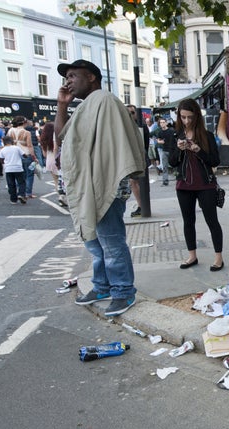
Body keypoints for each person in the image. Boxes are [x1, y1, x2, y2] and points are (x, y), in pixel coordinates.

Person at [54, 59, 146, 317]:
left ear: (92, 77)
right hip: (90, 184)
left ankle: (123, 291)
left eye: (73, 75)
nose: (68, 81)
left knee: (110, 240)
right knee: (94, 241)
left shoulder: (104, 101)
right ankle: (103, 286)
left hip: (105, 183)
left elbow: (110, 149)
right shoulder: (86, 107)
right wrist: (62, 105)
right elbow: (62, 138)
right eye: (66, 77)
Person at [168, 98, 225, 271]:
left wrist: (198, 150)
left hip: (205, 184)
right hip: (184, 185)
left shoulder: (206, 136)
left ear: (196, 117)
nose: (186, 121)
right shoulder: (176, 135)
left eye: (190, 117)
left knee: (212, 221)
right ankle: (192, 256)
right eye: (183, 117)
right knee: (188, 221)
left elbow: (215, 160)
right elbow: (171, 163)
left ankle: (218, 258)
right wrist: (179, 149)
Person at [125, 105, 149, 218]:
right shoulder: (126, 126)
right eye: (128, 112)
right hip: (132, 158)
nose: (130, 115)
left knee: (136, 182)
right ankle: (141, 205)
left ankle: (141, 205)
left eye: (132, 112)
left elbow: (145, 144)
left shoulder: (141, 126)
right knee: (134, 182)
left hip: (139, 158)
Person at [8, 116, 36, 199]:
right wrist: (33, 156)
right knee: (29, 174)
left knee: (18, 174)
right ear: (24, 122)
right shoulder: (26, 132)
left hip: (14, 155)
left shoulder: (10, 131)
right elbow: (30, 145)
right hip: (25, 154)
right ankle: (28, 192)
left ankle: (18, 191)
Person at [0, 136, 26, 204]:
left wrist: (5, 163)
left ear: (4, 142)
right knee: (21, 182)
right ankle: (21, 194)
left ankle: (13, 199)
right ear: (12, 141)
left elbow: (1, 160)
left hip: (8, 169)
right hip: (18, 168)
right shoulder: (16, 148)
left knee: (11, 184)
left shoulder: (3, 150)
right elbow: (24, 155)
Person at [153, 118, 176, 186]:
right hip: (164, 151)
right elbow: (158, 139)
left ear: (166, 123)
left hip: (172, 150)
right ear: (159, 124)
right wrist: (160, 141)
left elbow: (176, 138)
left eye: (163, 122)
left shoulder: (171, 130)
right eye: (161, 122)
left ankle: (179, 180)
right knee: (165, 167)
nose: (162, 124)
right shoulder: (160, 132)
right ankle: (165, 181)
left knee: (175, 166)